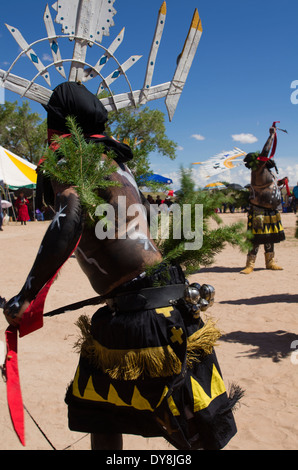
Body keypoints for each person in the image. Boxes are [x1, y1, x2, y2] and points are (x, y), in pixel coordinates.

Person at [3, 82, 239, 451]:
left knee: (186, 427)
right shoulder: (116, 162)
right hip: (153, 302)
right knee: (101, 410)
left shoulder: (74, 157)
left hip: (143, 316)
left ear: (57, 125)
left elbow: (69, 219)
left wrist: (27, 295)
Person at [240, 125, 286, 274]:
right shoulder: (257, 169)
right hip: (258, 210)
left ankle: (270, 261)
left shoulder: (268, 172)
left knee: (270, 236)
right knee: (256, 237)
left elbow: (269, 187)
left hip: (271, 211)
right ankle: (250, 264)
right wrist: (271, 136)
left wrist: (280, 183)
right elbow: (266, 152)